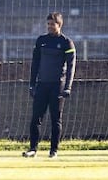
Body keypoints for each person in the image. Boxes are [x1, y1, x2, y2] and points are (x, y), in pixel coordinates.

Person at [22, 12, 76, 158]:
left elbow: (71, 67)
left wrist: (68, 87)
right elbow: (35, 64)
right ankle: (33, 149)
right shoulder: (41, 40)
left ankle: (54, 151)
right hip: (42, 85)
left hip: (57, 86)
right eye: (48, 24)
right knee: (36, 118)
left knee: (55, 119)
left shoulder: (66, 43)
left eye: (53, 24)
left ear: (59, 25)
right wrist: (32, 84)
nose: (50, 27)